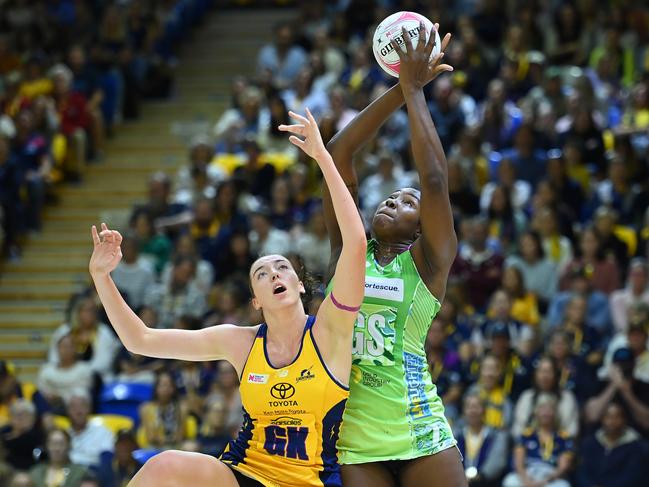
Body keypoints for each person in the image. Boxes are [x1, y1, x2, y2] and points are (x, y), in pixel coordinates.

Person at [87, 107, 366, 486]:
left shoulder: (331, 331)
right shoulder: (240, 341)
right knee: (163, 465)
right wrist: (101, 276)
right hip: (245, 472)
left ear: (300, 284)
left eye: (283, 268)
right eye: (262, 274)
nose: (274, 274)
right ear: (256, 301)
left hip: (311, 480)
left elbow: (355, 244)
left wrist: (322, 157)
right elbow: (140, 339)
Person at [324, 23, 466, 485]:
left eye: (408, 202)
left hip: (421, 432)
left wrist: (415, 93)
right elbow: (338, 150)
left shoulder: (429, 262)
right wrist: (402, 88)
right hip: (356, 438)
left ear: (424, 224)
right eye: (390, 196)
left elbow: (436, 181)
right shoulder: (348, 253)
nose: (392, 201)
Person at [503, 394, 574, 487]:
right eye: (542, 409)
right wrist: (527, 481)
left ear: (555, 413)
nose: (546, 413)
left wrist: (545, 481)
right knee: (510, 482)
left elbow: (563, 467)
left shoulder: (563, 437)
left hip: (551, 475)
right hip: (528, 472)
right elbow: (518, 463)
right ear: (536, 412)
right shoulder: (526, 435)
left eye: (550, 409)